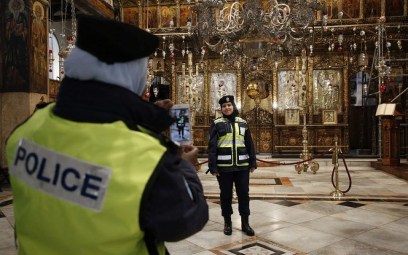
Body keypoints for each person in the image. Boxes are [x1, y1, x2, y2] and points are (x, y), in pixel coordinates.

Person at [6, 14, 208, 255]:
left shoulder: (27, 129)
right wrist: (183, 167)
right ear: (133, 78)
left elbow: (93, 130)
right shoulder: (147, 162)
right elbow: (187, 219)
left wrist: (145, 120)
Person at [207, 95, 257, 236]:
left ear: (233, 106)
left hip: (242, 166)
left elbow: (249, 144)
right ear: (221, 109)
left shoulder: (243, 123)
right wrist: (213, 167)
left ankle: (245, 223)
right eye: (224, 106)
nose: (227, 108)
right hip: (224, 167)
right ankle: (227, 222)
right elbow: (212, 147)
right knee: (226, 195)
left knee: (243, 194)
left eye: (229, 105)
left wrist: (252, 162)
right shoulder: (217, 123)